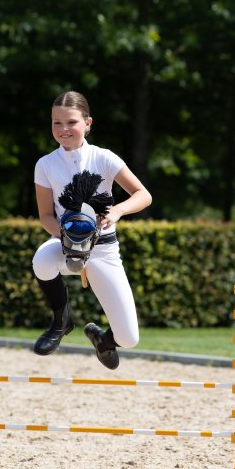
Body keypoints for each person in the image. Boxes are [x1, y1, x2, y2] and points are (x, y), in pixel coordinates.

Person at [31, 90, 152, 369]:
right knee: (41, 261)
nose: (63, 129)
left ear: (88, 123)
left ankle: (103, 341)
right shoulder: (45, 164)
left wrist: (117, 211)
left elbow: (143, 195)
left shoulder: (104, 157)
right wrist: (67, 237)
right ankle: (61, 321)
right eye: (56, 123)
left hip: (103, 250)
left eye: (71, 122)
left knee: (129, 338)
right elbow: (46, 216)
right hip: (66, 245)